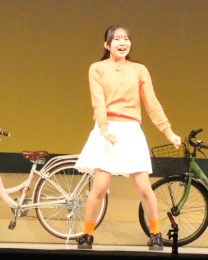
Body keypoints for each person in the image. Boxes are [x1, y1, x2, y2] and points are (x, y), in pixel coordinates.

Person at [75, 25, 182, 251]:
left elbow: (152, 104)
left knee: (144, 187)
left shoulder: (139, 70)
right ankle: (87, 234)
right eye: (116, 39)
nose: (122, 43)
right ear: (107, 45)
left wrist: (168, 131)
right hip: (107, 128)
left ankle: (155, 234)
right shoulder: (97, 68)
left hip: (131, 130)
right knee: (100, 187)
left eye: (125, 39)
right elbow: (98, 101)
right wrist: (104, 129)